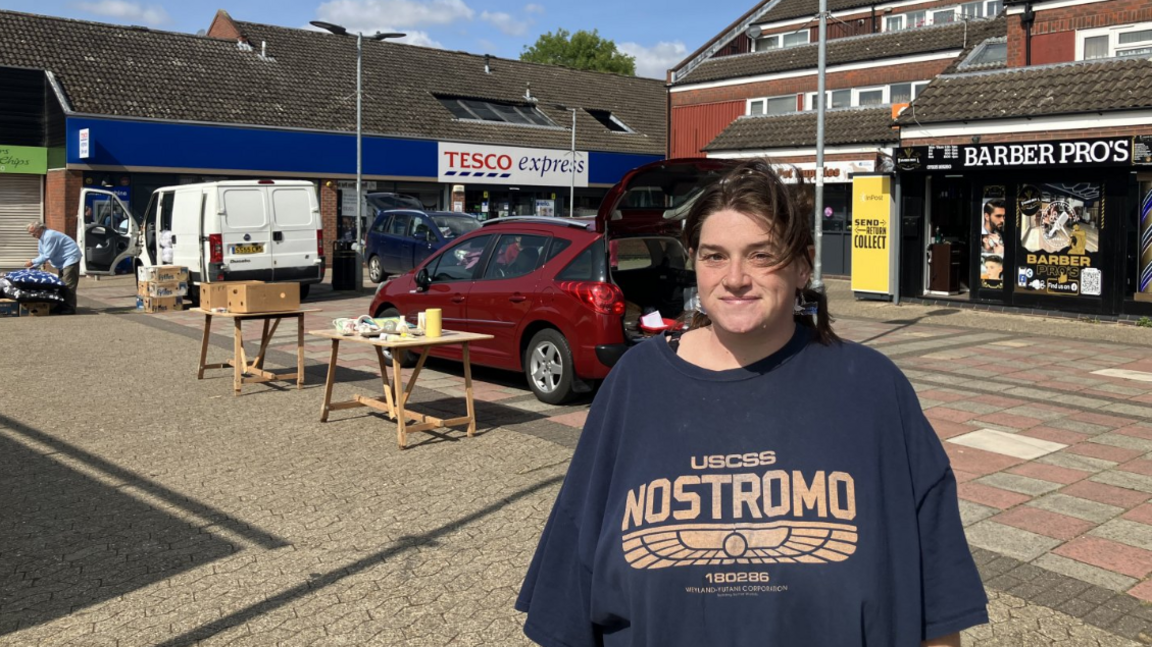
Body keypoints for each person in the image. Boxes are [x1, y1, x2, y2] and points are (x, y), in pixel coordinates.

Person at [516, 159, 987, 647]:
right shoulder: (634, 385)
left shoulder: (872, 388)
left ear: (804, 264)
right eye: (714, 256)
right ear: (693, 262)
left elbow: (937, 603)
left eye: (761, 255)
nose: (735, 278)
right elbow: (569, 596)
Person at [25, 222, 82, 315]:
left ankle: (70, 308)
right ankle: (61, 306)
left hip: (70, 258)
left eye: (33, 233)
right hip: (62, 261)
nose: (32, 235)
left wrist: (32, 261)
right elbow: (42, 255)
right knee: (61, 284)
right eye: (30, 233)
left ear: (40, 229)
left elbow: (48, 255)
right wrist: (34, 266)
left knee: (68, 284)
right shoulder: (41, 239)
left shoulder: (49, 236)